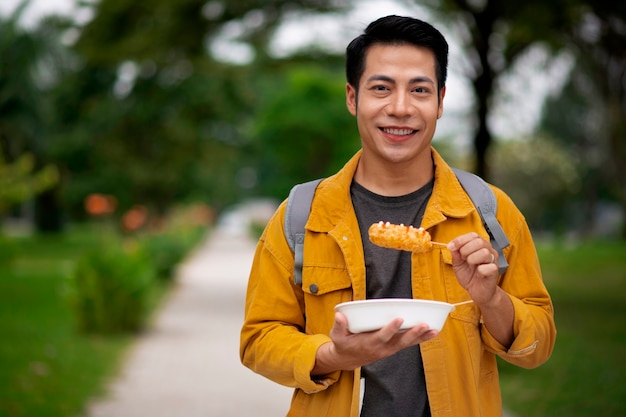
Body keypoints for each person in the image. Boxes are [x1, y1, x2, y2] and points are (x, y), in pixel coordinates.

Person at [240, 15, 556, 417]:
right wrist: (332, 354)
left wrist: (491, 299)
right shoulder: (301, 216)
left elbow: (539, 345)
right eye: (381, 88)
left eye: (419, 90)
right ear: (353, 98)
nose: (401, 108)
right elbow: (258, 340)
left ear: (441, 101)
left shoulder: (490, 212)